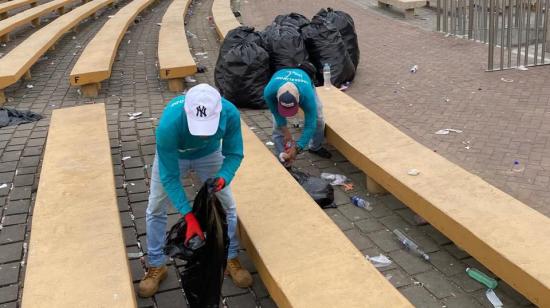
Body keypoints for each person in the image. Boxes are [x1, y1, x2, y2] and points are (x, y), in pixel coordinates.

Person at [138, 83, 252, 298]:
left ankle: (230, 257)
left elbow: (234, 153)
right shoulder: (168, 125)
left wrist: (224, 177)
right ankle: (156, 265)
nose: (201, 135)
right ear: (187, 112)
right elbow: (170, 177)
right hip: (175, 155)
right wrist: (189, 216)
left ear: (219, 111)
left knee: (228, 206)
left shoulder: (229, 112)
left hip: (209, 154)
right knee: (155, 207)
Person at [263, 67, 332, 165]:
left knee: (318, 118)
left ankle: (315, 147)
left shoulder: (307, 95)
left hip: (304, 81)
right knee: (277, 125)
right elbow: (275, 112)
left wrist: (298, 148)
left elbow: (310, 124)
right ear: (277, 98)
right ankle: (283, 157)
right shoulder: (269, 92)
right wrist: (285, 130)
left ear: (299, 99)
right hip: (279, 78)